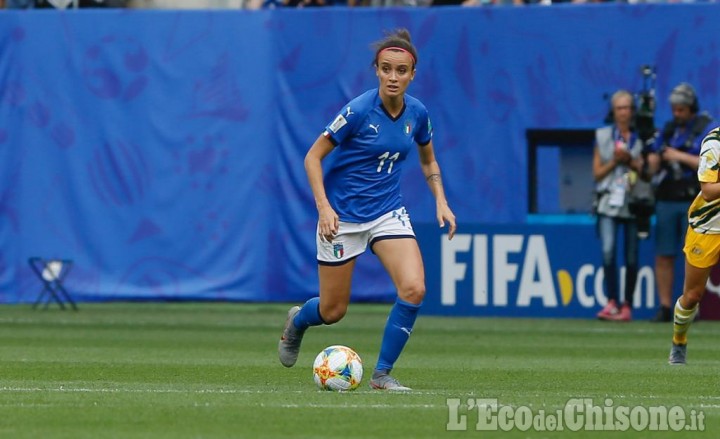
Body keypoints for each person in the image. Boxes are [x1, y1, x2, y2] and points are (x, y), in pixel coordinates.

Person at [277, 29, 456, 391]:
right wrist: (324, 208)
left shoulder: (418, 113)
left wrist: (440, 198)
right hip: (342, 217)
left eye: (401, 71)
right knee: (333, 311)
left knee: (414, 289)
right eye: (386, 69)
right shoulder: (358, 110)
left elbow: (428, 160)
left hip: (388, 213)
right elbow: (313, 157)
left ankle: (381, 375)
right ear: (376, 70)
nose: (393, 77)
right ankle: (298, 322)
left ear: (412, 74)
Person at [646, 83, 713, 322]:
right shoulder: (668, 129)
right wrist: (651, 156)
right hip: (666, 197)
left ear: (691, 108)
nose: (677, 114)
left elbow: (706, 165)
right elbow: (654, 163)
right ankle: (665, 306)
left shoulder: (706, 128)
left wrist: (678, 156)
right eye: (674, 109)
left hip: (694, 200)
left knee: (694, 256)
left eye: (681, 109)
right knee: (664, 253)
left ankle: (690, 305)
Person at [668, 125, 720, 365]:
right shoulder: (714, 141)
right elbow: (708, 191)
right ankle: (679, 340)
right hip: (709, 225)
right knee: (692, 295)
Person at [593, 90, 645, 322]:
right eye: (620, 108)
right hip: (608, 201)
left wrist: (630, 161)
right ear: (613, 112)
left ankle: (627, 305)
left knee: (632, 256)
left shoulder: (641, 137)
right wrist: (615, 159)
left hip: (632, 201)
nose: (624, 112)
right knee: (608, 251)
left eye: (628, 107)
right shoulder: (603, 136)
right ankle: (612, 301)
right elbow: (596, 173)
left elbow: (645, 171)